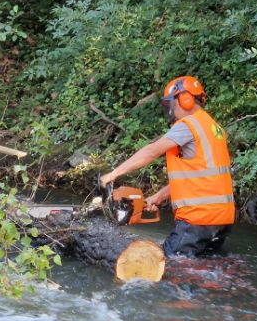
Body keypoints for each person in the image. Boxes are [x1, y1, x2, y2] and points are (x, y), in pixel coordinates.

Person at [100, 76, 235, 257]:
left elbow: (151, 151)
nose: (170, 109)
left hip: (197, 219)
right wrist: (159, 196)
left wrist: (113, 174)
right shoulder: (213, 128)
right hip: (221, 220)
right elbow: (200, 176)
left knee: (170, 266)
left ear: (185, 100)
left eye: (171, 103)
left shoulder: (188, 125)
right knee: (205, 268)